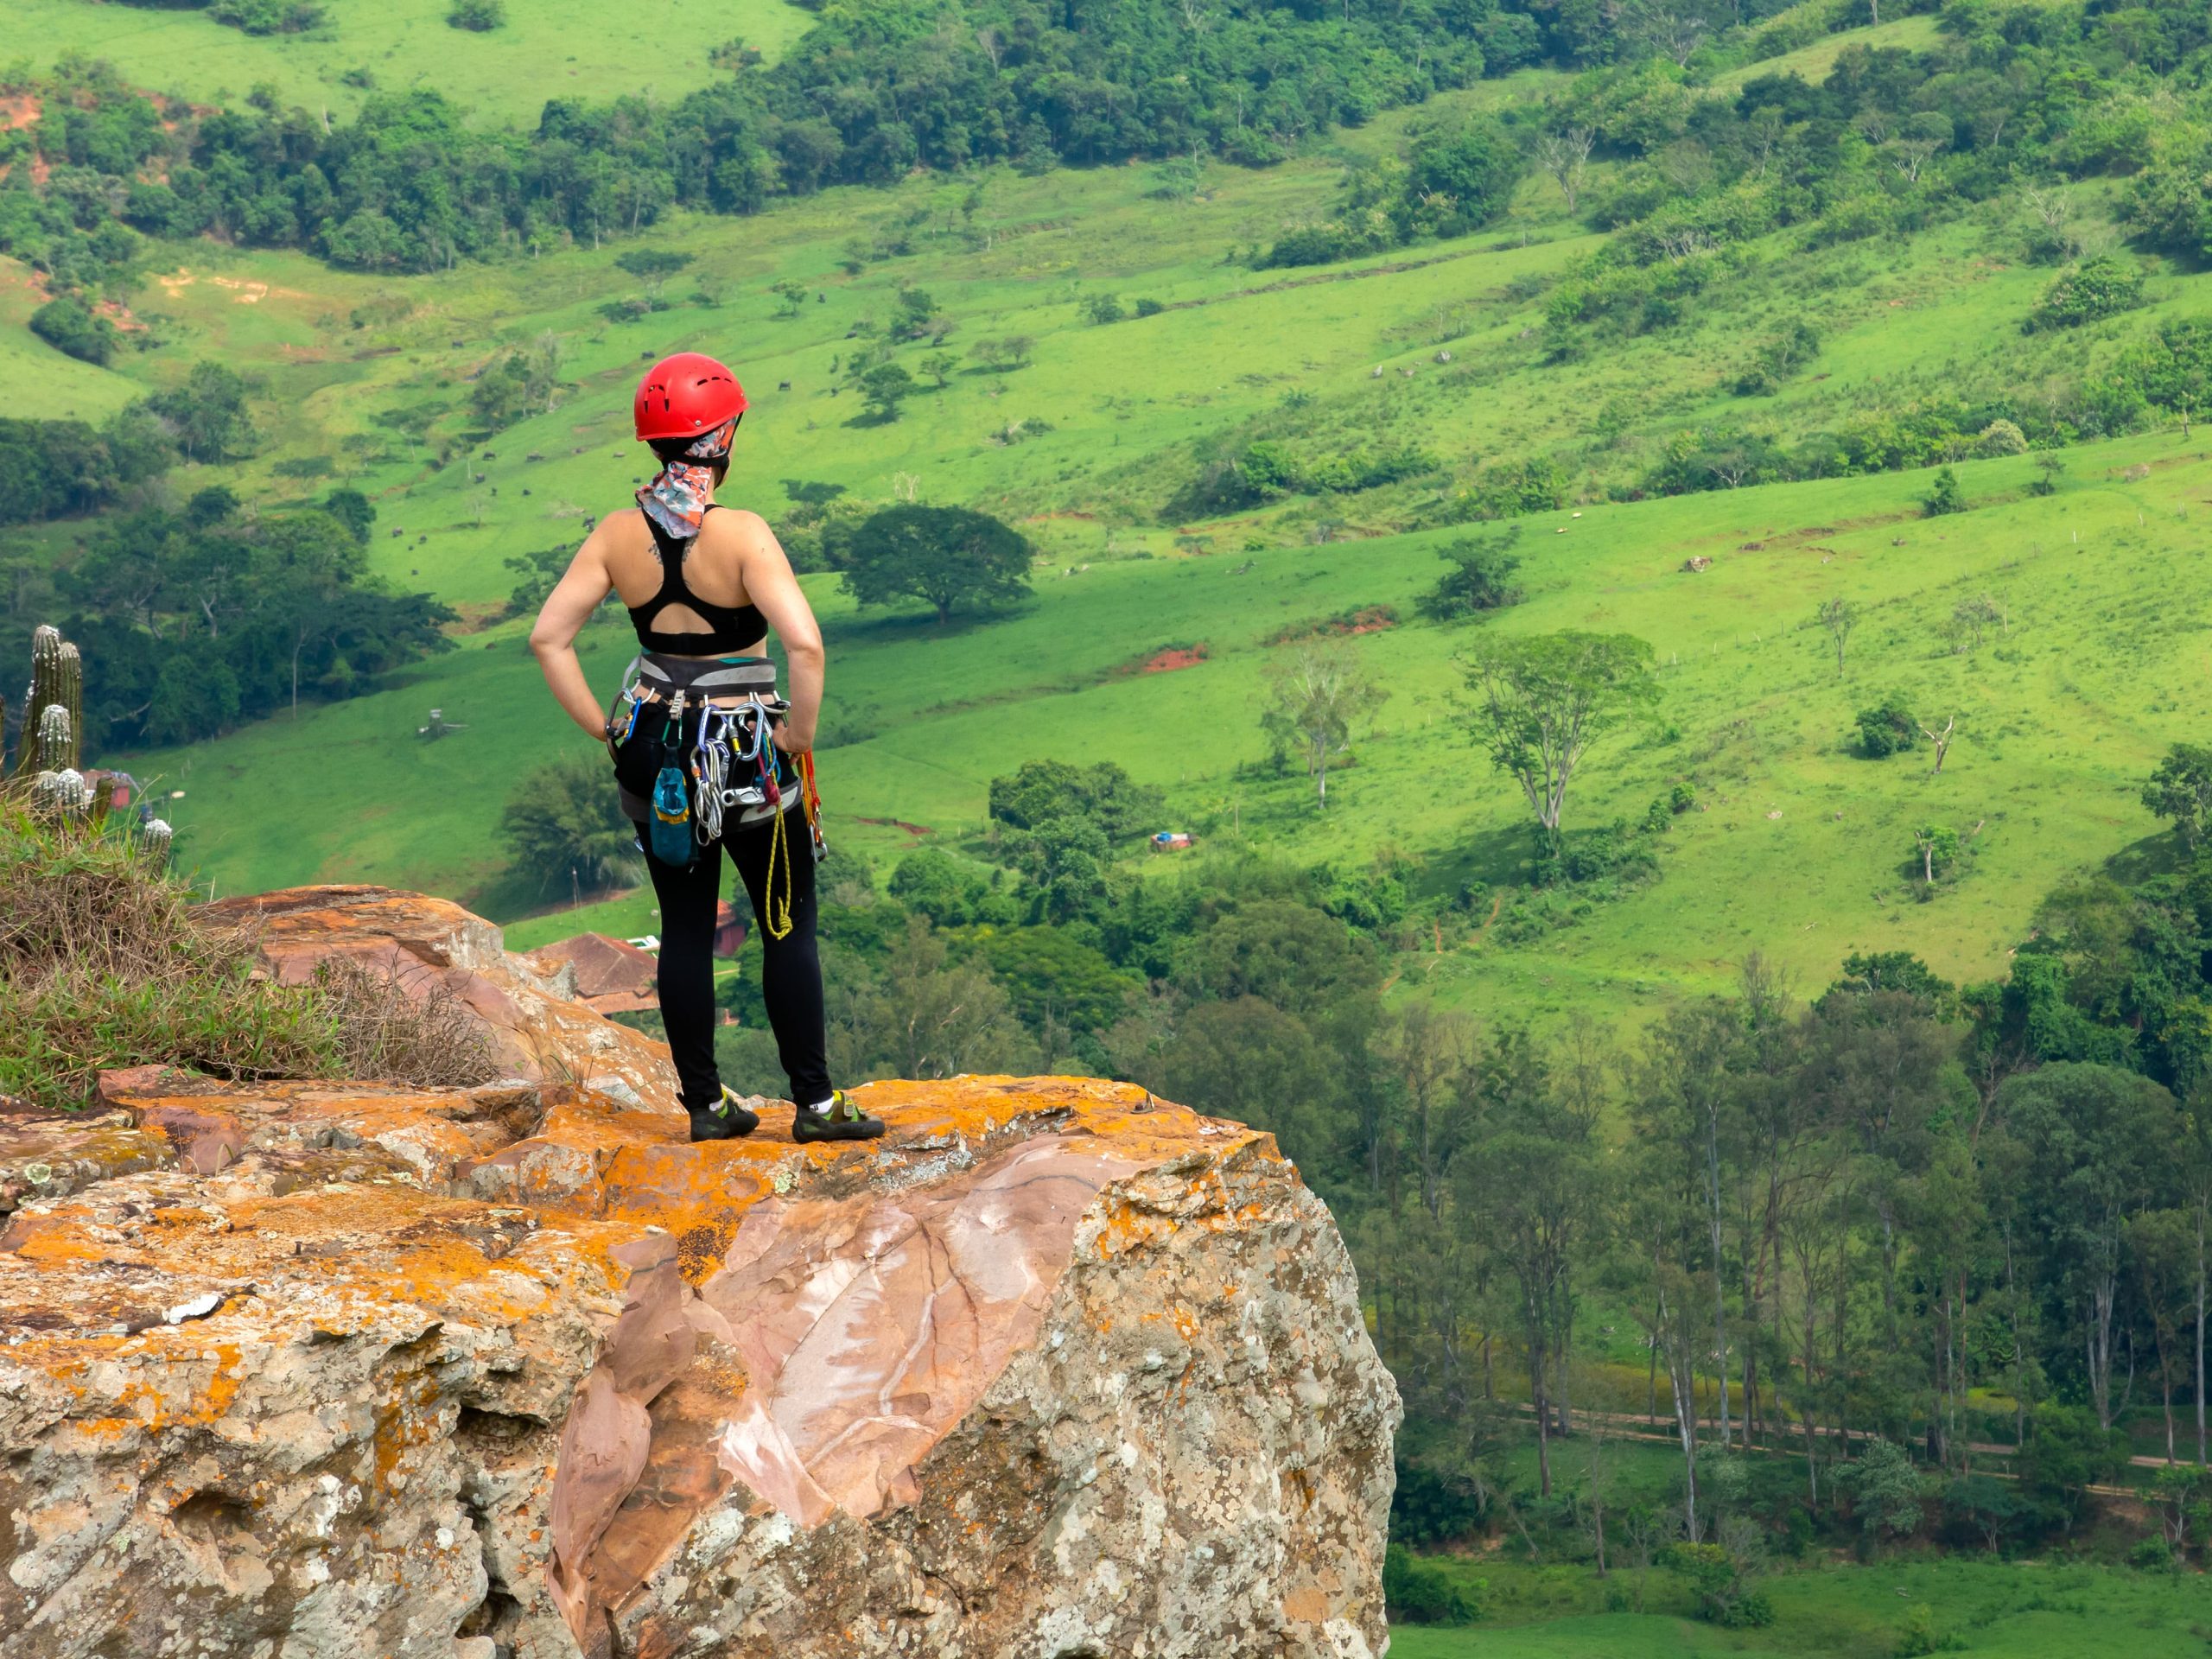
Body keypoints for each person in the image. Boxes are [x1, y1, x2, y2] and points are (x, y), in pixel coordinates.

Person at [528, 352, 883, 1145]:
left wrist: (605, 727)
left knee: (684, 927)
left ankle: (706, 1106)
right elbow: (807, 648)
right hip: (751, 753)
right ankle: (817, 1107)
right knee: (785, 925)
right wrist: (798, 736)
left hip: (657, 758)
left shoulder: (618, 536)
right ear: (720, 438)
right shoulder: (743, 535)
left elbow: (549, 638)